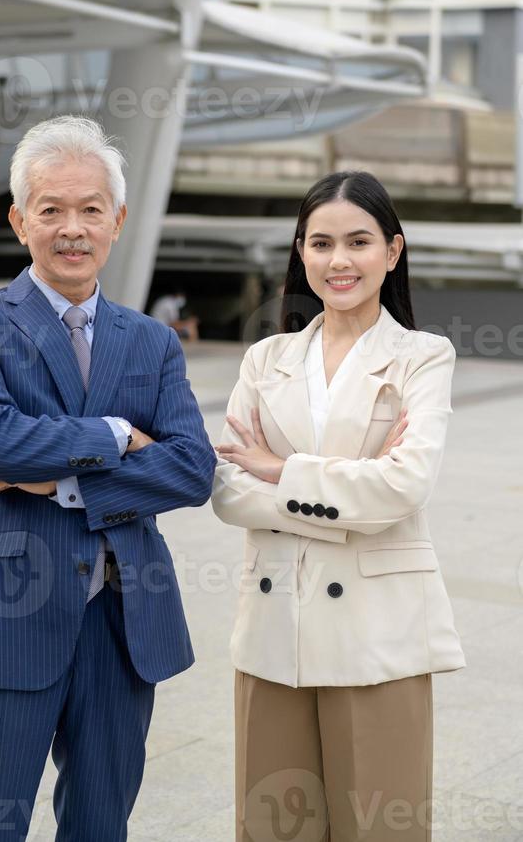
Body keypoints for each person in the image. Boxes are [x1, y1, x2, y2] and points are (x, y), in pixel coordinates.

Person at [0, 114, 216, 841]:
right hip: (5, 617)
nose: (72, 228)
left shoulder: (150, 341)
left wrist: (60, 481)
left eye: (90, 209)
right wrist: (117, 435)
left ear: (117, 220)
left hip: (123, 624)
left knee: (100, 823)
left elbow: (191, 468)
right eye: (51, 209)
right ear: (20, 221)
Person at [211, 171, 465, 842]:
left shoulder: (422, 357)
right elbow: (230, 490)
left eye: (359, 241)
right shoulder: (267, 359)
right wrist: (344, 488)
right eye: (320, 243)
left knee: (380, 829)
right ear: (301, 253)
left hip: (377, 636)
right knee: (272, 830)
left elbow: (403, 488)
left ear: (393, 250)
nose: (338, 260)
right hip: (272, 633)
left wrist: (281, 470)